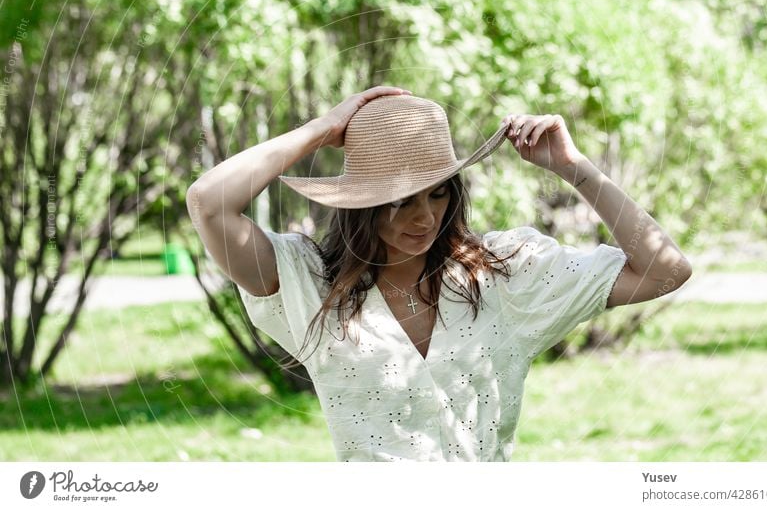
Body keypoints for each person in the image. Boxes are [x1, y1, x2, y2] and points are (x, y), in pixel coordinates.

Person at [186, 85, 692, 462]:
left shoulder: (503, 273)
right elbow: (208, 202)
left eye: (439, 191)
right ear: (362, 206)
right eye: (401, 201)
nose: (425, 217)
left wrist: (572, 165)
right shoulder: (308, 282)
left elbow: (666, 270)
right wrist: (324, 129)